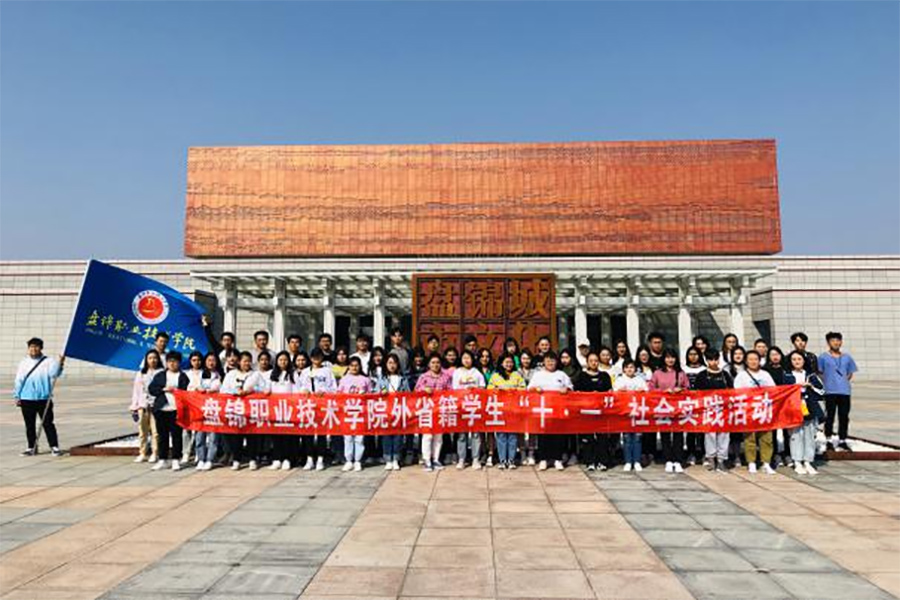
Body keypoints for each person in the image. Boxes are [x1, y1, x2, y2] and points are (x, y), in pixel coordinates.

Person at [527, 351, 573, 471]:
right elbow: (529, 388)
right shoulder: (538, 375)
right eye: (548, 360)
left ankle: (557, 459)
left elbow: (570, 388)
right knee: (543, 435)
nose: (550, 363)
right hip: (543, 410)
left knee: (558, 435)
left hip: (558, 410)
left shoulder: (561, 374)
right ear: (544, 362)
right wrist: (535, 389)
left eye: (552, 360)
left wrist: (566, 389)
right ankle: (543, 459)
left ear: (556, 362)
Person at [221, 351, 266, 471]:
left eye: (249, 361)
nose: (247, 363)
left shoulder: (255, 375)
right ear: (239, 362)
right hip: (236, 409)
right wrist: (235, 392)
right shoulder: (231, 374)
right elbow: (223, 390)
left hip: (251, 410)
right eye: (244, 361)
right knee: (236, 436)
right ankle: (237, 459)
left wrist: (250, 391)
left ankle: (252, 459)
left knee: (252, 436)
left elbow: (264, 389)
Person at [734, 350, 777, 475]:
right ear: (746, 361)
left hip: (764, 410)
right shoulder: (741, 376)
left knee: (766, 438)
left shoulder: (765, 375)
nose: (753, 362)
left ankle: (766, 463)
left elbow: (774, 390)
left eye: (755, 359)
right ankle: (751, 462)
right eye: (750, 359)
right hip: (749, 410)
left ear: (760, 361)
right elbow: (737, 392)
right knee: (749, 438)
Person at [649, 348, 690, 474]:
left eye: (672, 357)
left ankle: (678, 460)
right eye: (667, 357)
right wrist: (663, 392)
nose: (670, 360)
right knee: (665, 435)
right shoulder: (657, 373)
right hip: (663, 407)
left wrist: (680, 390)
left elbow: (688, 388)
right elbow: (651, 389)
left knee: (678, 435)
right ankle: (668, 460)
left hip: (678, 408)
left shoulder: (681, 373)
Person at [148, 351, 190, 471]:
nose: (172, 364)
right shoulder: (161, 375)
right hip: (162, 409)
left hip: (176, 409)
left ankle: (176, 459)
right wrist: (163, 389)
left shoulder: (183, 376)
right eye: (170, 361)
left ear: (179, 363)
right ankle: (163, 459)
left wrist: (175, 391)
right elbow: (152, 389)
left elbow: (187, 392)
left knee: (176, 435)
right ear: (166, 363)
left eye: (175, 361)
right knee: (162, 435)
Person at [785, 351, 825, 475]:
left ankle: (808, 461)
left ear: (804, 361)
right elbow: (783, 392)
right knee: (796, 435)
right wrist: (795, 387)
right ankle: (797, 461)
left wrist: (810, 386)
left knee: (809, 436)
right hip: (794, 409)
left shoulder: (810, 375)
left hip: (810, 408)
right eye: (794, 359)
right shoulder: (787, 375)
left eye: (799, 359)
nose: (797, 362)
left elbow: (822, 391)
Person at [574, 351, 614, 471]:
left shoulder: (604, 376)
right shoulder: (581, 376)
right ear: (587, 362)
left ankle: (603, 461)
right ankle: (589, 461)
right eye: (591, 361)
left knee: (602, 437)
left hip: (601, 411)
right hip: (587, 411)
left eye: (596, 360)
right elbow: (577, 393)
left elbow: (610, 391)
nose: (593, 363)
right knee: (588, 438)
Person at [694, 349, 733, 472]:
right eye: (710, 359)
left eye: (716, 359)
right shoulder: (702, 375)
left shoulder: (725, 375)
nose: (713, 362)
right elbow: (696, 393)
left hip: (723, 409)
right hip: (708, 409)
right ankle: (710, 458)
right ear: (706, 360)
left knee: (724, 434)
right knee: (709, 434)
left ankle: (721, 459)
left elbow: (731, 391)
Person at [297, 348, 336, 471]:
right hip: (308, 405)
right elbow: (299, 387)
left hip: (322, 405)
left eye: (318, 356)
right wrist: (304, 391)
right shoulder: (305, 372)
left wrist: (324, 392)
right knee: (308, 433)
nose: (316, 359)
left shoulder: (327, 371)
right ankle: (309, 459)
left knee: (321, 433)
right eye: (314, 357)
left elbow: (334, 388)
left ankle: (320, 458)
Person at [818, 332, 858, 451]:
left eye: (838, 340)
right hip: (830, 391)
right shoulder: (823, 357)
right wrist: (828, 382)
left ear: (841, 342)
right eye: (833, 340)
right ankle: (828, 439)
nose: (836, 343)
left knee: (844, 416)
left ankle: (842, 440)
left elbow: (850, 373)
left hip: (844, 392)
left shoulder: (847, 357)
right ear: (828, 342)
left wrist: (842, 381)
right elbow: (820, 372)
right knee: (829, 416)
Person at [415, 353, 453, 472]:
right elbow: (416, 391)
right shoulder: (423, 377)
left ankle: (436, 459)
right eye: (433, 362)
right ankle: (427, 460)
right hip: (427, 409)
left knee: (438, 436)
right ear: (428, 364)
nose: (435, 365)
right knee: (427, 435)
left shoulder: (446, 377)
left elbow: (451, 391)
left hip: (440, 409)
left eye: (437, 362)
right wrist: (424, 389)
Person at [488, 353, 526, 469]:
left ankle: (511, 460)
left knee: (513, 435)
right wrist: (496, 390)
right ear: (501, 363)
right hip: (500, 409)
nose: (509, 364)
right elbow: (489, 389)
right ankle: (502, 460)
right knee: (501, 435)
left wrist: (514, 390)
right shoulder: (495, 376)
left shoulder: (517, 375)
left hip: (513, 409)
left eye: (511, 362)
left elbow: (523, 388)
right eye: (506, 362)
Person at [452, 350, 487, 469]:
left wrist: (475, 388)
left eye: (469, 358)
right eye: (464, 358)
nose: (466, 360)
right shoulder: (457, 372)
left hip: (475, 406)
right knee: (462, 434)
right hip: (462, 406)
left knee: (476, 434)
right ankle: (461, 459)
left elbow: (483, 387)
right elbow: (454, 389)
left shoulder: (477, 372)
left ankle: (475, 458)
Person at [373, 353, 408, 470]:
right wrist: (380, 393)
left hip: (398, 410)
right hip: (385, 410)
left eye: (394, 363)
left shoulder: (403, 379)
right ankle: (388, 459)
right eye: (389, 363)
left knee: (398, 436)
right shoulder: (382, 379)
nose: (392, 365)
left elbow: (408, 394)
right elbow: (375, 393)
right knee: (386, 436)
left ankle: (396, 459)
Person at [614, 359, 648, 472]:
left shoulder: (640, 380)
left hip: (638, 413)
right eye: (627, 367)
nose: (629, 369)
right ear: (623, 369)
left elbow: (646, 392)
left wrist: (642, 391)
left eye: (632, 367)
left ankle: (637, 461)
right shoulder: (619, 380)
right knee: (627, 438)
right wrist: (620, 391)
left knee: (638, 438)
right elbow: (615, 393)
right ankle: (628, 461)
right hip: (625, 413)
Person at [335, 356, 368, 471]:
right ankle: (349, 460)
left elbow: (371, 395)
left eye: (356, 365)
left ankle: (358, 460)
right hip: (347, 412)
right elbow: (338, 394)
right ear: (348, 366)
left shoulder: (365, 379)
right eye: (352, 365)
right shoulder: (344, 379)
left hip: (360, 412)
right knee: (348, 437)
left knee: (359, 438)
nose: (354, 368)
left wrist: (364, 395)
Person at [269, 351, 299, 471]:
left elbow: (296, 390)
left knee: (287, 435)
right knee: (276, 435)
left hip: (288, 409)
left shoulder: (293, 374)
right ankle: (277, 458)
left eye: (285, 360)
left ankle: (287, 459)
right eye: (280, 360)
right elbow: (268, 389)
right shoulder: (273, 374)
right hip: (275, 409)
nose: (283, 362)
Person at [130, 349, 162, 462]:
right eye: (150, 358)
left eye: (155, 358)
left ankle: (155, 453)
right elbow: (136, 391)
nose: (152, 360)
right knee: (142, 432)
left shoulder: (162, 373)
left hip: (156, 406)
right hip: (143, 406)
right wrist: (134, 406)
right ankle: (142, 452)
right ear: (146, 360)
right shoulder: (141, 373)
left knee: (155, 432)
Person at [194, 352, 223, 471]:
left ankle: (210, 459)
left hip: (214, 409)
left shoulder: (220, 375)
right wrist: (199, 390)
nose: (211, 363)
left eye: (213, 360)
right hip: (200, 409)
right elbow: (193, 388)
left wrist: (213, 391)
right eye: (209, 360)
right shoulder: (199, 375)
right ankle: (201, 458)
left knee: (213, 437)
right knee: (199, 436)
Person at [682, 346, 707, 465]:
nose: (693, 357)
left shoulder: (704, 369)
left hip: (702, 403)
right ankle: (691, 453)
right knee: (690, 430)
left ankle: (703, 454)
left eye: (695, 354)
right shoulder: (683, 369)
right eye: (690, 354)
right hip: (688, 403)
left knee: (702, 431)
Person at [182, 350, 205, 465]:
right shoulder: (186, 374)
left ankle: (197, 452)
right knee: (186, 430)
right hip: (188, 404)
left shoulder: (205, 373)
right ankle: (186, 453)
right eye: (194, 360)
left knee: (198, 430)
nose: (196, 362)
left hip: (200, 405)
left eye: (199, 360)